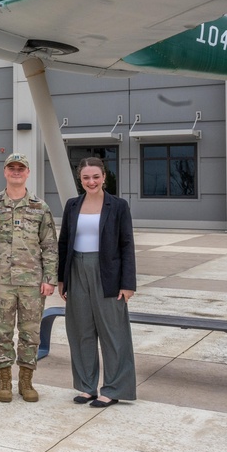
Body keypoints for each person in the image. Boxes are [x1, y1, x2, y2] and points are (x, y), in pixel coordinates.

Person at [0, 152, 57, 403]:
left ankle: (26, 381)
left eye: (21, 168)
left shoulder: (40, 207)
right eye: (12, 168)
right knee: (1, 331)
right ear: (5, 172)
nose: (17, 171)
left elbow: (50, 245)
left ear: (28, 173)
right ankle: (4, 380)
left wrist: (50, 278)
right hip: (1, 282)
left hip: (33, 282)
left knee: (31, 333)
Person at [58, 156, 137, 408]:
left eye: (95, 176)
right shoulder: (72, 205)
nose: (91, 181)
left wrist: (128, 283)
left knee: (113, 333)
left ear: (104, 177)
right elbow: (63, 243)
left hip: (108, 274)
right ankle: (86, 386)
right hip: (76, 271)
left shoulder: (118, 205)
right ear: (80, 180)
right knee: (80, 331)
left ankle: (113, 388)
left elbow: (127, 245)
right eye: (85, 177)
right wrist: (62, 278)